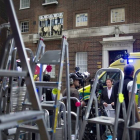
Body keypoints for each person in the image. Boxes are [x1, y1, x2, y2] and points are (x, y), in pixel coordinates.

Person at [113, 64, 140, 140]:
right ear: (133, 72)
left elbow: (121, 99)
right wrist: (138, 118)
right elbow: (132, 102)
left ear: (124, 72)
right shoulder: (131, 83)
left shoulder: (117, 84)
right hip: (130, 117)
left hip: (119, 116)